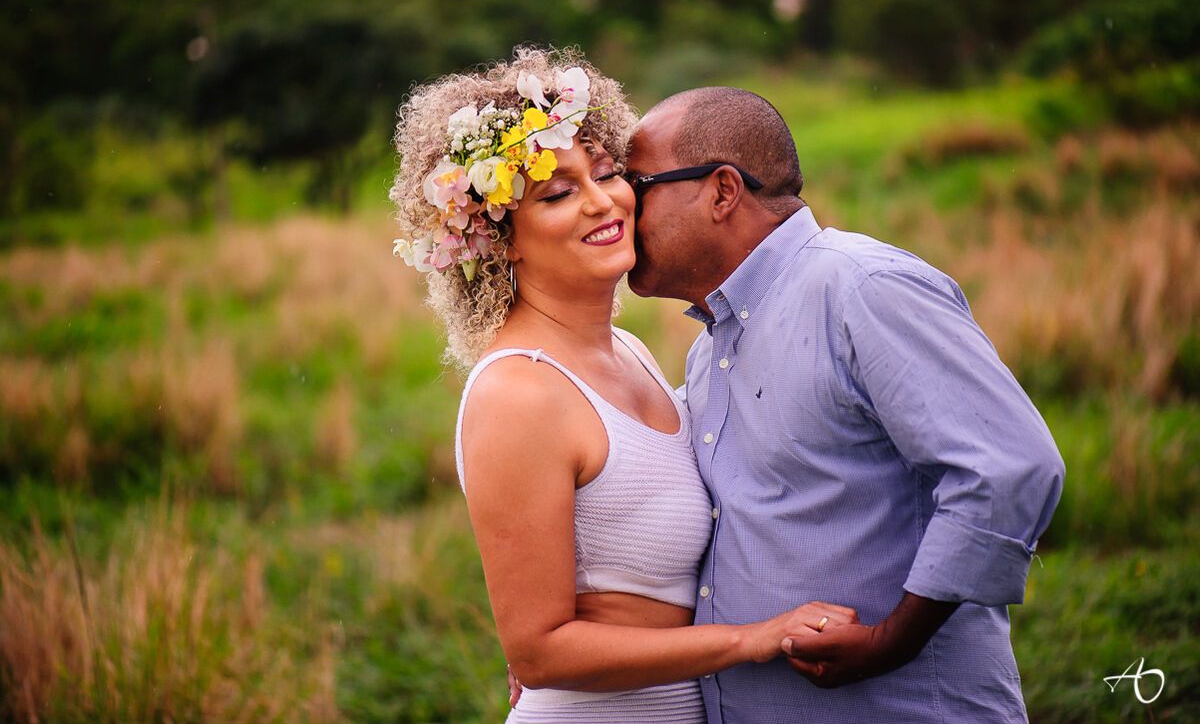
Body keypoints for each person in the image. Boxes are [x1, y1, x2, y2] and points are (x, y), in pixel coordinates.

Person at [390, 49, 855, 723]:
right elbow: (540, 652)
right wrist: (750, 640)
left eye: (606, 174)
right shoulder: (519, 392)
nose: (601, 201)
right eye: (556, 193)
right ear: (503, 240)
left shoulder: (631, 352)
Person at [621, 86, 1067, 723]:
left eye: (637, 185)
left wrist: (892, 641)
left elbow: (1008, 465)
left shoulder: (862, 288)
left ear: (722, 191)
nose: (616, 204)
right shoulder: (709, 350)